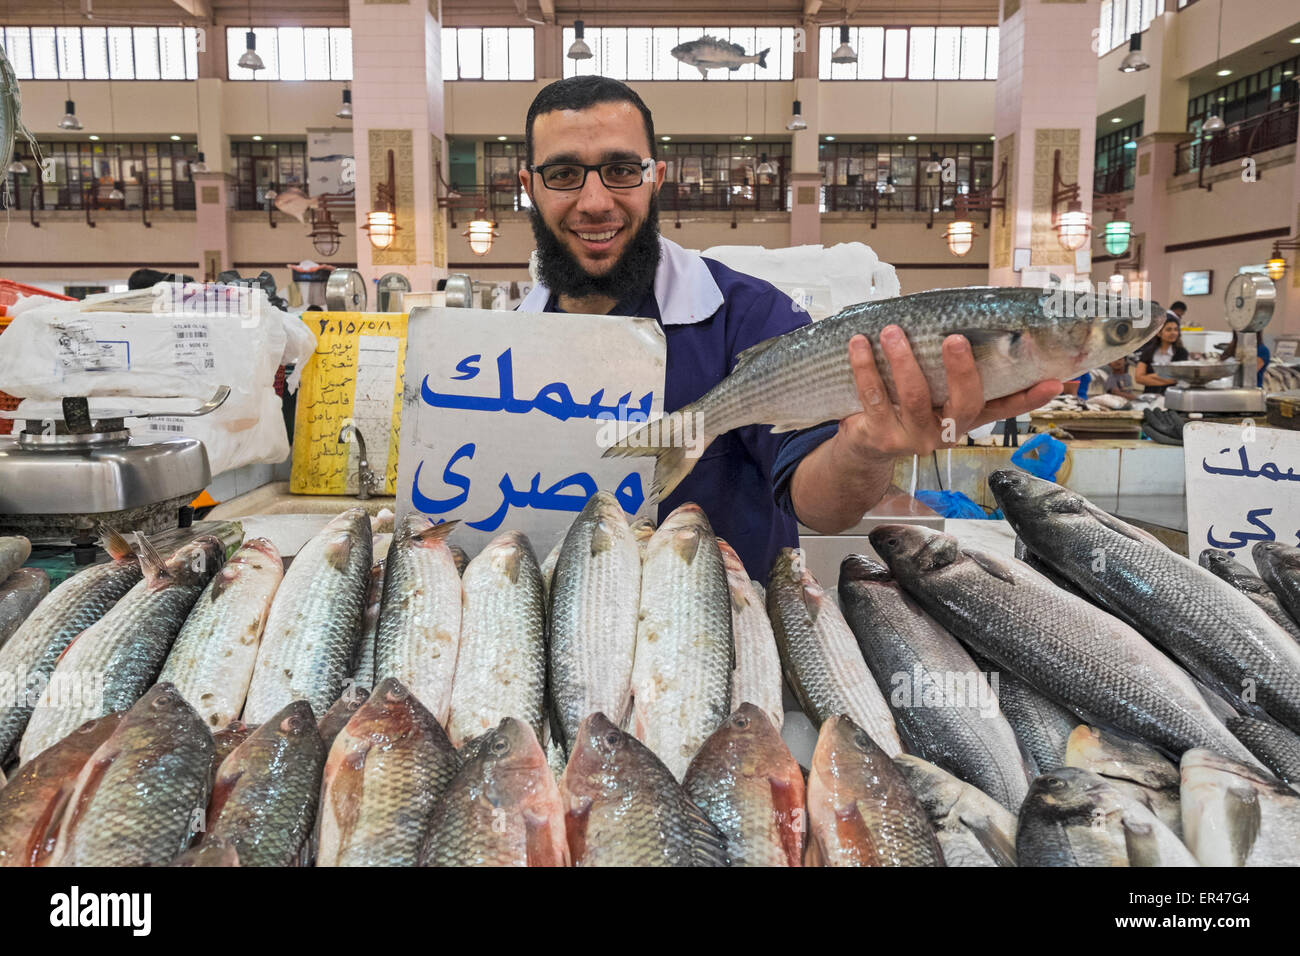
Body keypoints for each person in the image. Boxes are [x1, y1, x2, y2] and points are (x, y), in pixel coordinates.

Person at [513, 76, 1060, 581]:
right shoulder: (493, 352)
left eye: (621, 170)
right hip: (550, 647)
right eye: (562, 174)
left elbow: (821, 507)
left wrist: (867, 448)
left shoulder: (750, 316)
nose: (594, 201)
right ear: (529, 187)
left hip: (730, 642)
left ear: (656, 178)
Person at [1134, 316, 1190, 395]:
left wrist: (1149, 377)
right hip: (1149, 397)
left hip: (1172, 396)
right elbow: (1139, 378)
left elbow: (1178, 377)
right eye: (1168, 329)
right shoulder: (1148, 352)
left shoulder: (1181, 353)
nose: (1173, 333)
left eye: (1176, 329)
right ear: (1159, 333)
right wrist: (1168, 378)